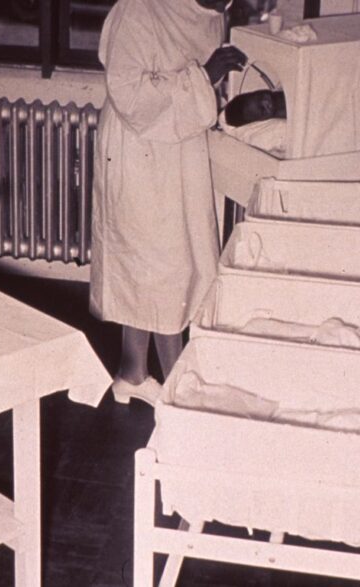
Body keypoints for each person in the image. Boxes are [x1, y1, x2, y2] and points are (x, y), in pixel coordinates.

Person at [91, 0, 247, 405]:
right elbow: (127, 91)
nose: (225, 5)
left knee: (168, 259)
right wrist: (204, 76)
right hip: (139, 147)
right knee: (161, 261)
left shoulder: (214, 11)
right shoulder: (139, 9)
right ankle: (179, 387)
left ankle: (133, 373)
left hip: (181, 146)